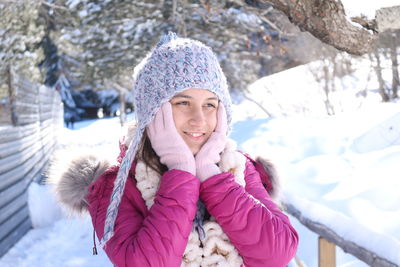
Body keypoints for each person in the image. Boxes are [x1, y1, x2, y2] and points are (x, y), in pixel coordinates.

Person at [49, 32, 298, 267]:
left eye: (210, 105)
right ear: (153, 111)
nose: (199, 119)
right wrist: (181, 171)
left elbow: (278, 252)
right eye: (182, 103)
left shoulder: (238, 168)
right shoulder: (115, 185)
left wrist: (212, 176)